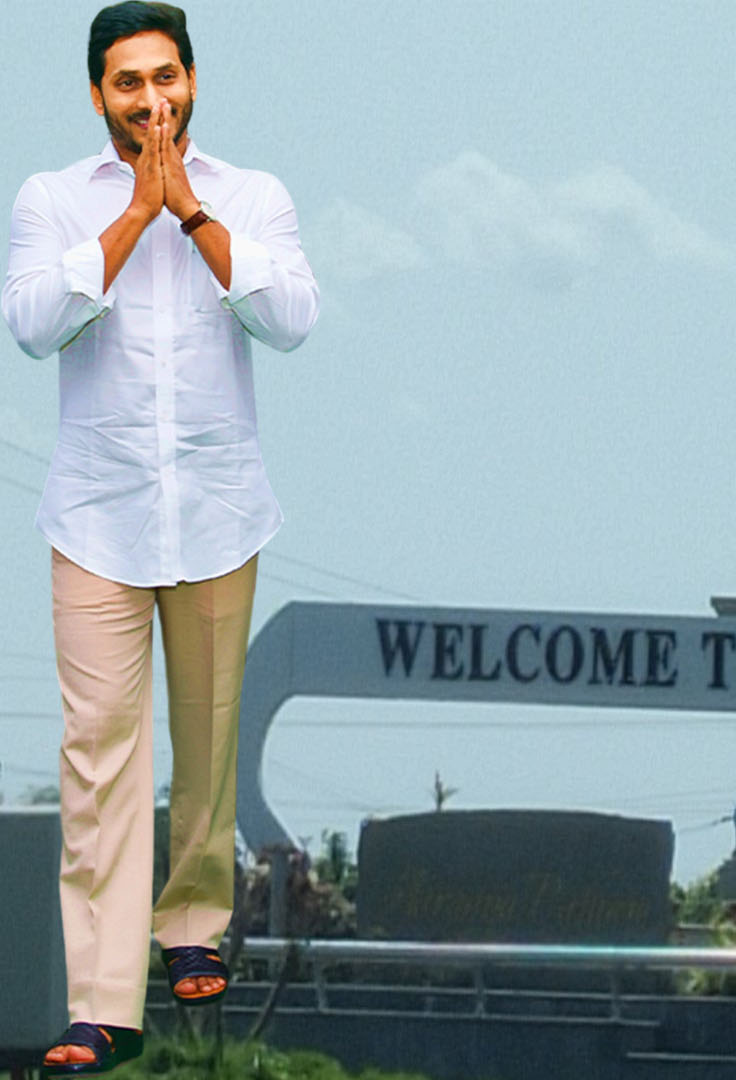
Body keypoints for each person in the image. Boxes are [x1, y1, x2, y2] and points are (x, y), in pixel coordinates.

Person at [1, 3, 318, 1072]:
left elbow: (290, 320)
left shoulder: (253, 196)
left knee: (209, 734)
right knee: (97, 756)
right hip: (97, 514)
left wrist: (190, 213)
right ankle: (102, 1005)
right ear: (99, 93)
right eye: (128, 82)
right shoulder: (51, 200)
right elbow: (34, 325)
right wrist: (137, 212)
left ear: (191, 81)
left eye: (166, 77)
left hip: (219, 511)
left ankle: (191, 927)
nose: (151, 99)